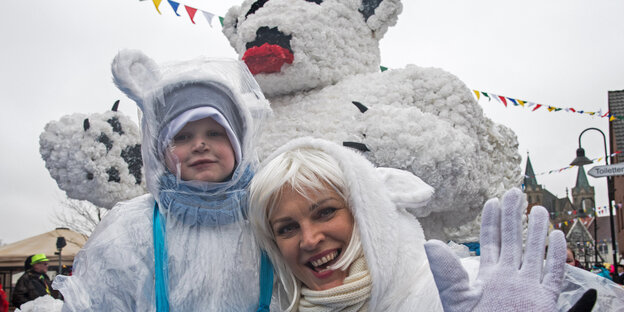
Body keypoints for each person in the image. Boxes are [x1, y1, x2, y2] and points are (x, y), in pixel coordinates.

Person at [53, 50, 271, 311]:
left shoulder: (268, 214)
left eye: (214, 133)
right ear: (158, 152)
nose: (200, 144)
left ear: (240, 144)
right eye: (181, 137)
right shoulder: (131, 228)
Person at [248, 137, 567, 311]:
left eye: (326, 212)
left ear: (367, 212)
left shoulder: (453, 291)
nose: (309, 238)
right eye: (287, 228)